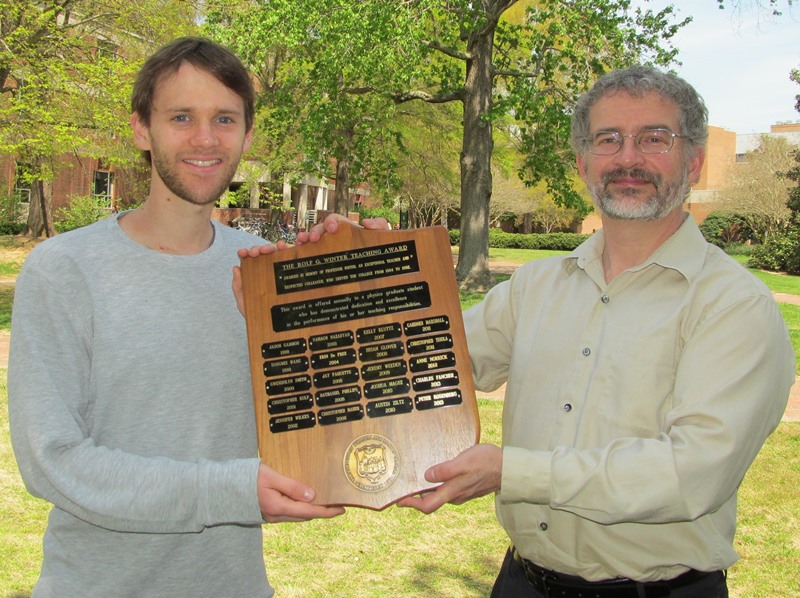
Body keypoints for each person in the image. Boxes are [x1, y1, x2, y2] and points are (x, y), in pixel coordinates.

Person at [396, 66, 795, 597]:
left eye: (655, 138)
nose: (628, 158)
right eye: (608, 140)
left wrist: (512, 472)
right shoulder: (533, 288)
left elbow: (691, 474)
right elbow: (427, 366)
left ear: (694, 161)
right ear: (584, 163)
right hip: (521, 583)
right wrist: (380, 274)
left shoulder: (733, 306)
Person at [8, 37, 344, 598]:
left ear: (247, 134)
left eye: (225, 119)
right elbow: (52, 462)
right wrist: (228, 491)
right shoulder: (63, 270)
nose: (205, 138)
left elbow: (318, 421)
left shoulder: (263, 275)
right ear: (142, 128)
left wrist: (362, 283)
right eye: (181, 116)